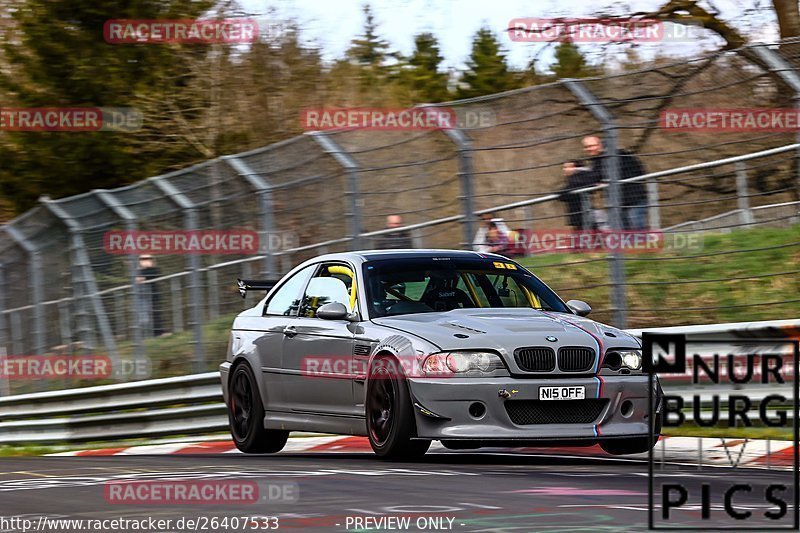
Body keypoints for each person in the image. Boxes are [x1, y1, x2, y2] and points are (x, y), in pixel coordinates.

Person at [582, 135, 649, 230]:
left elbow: (638, 171)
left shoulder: (619, 155)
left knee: (636, 226)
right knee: (624, 231)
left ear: (600, 145)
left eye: (592, 145)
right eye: (586, 147)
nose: (589, 149)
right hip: (618, 202)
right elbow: (593, 178)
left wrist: (609, 182)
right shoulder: (598, 161)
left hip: (634, 198)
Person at [557, 160, 596, 230]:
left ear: (576, 168)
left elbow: (570, 189)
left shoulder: (578, 178)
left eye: (567, 167)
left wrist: (560, 192)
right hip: (580, 215)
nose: (564, 170)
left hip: (582, 214)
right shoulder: (576, 178)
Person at [136, 254, 165, 336]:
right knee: (144, 316)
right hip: (143, 297)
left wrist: (143, 277)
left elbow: (155, 274)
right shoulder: (139, 271)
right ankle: (147, 334)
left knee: (155, 314)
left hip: (153, 295)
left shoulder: (153, 269)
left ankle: (158, 332)